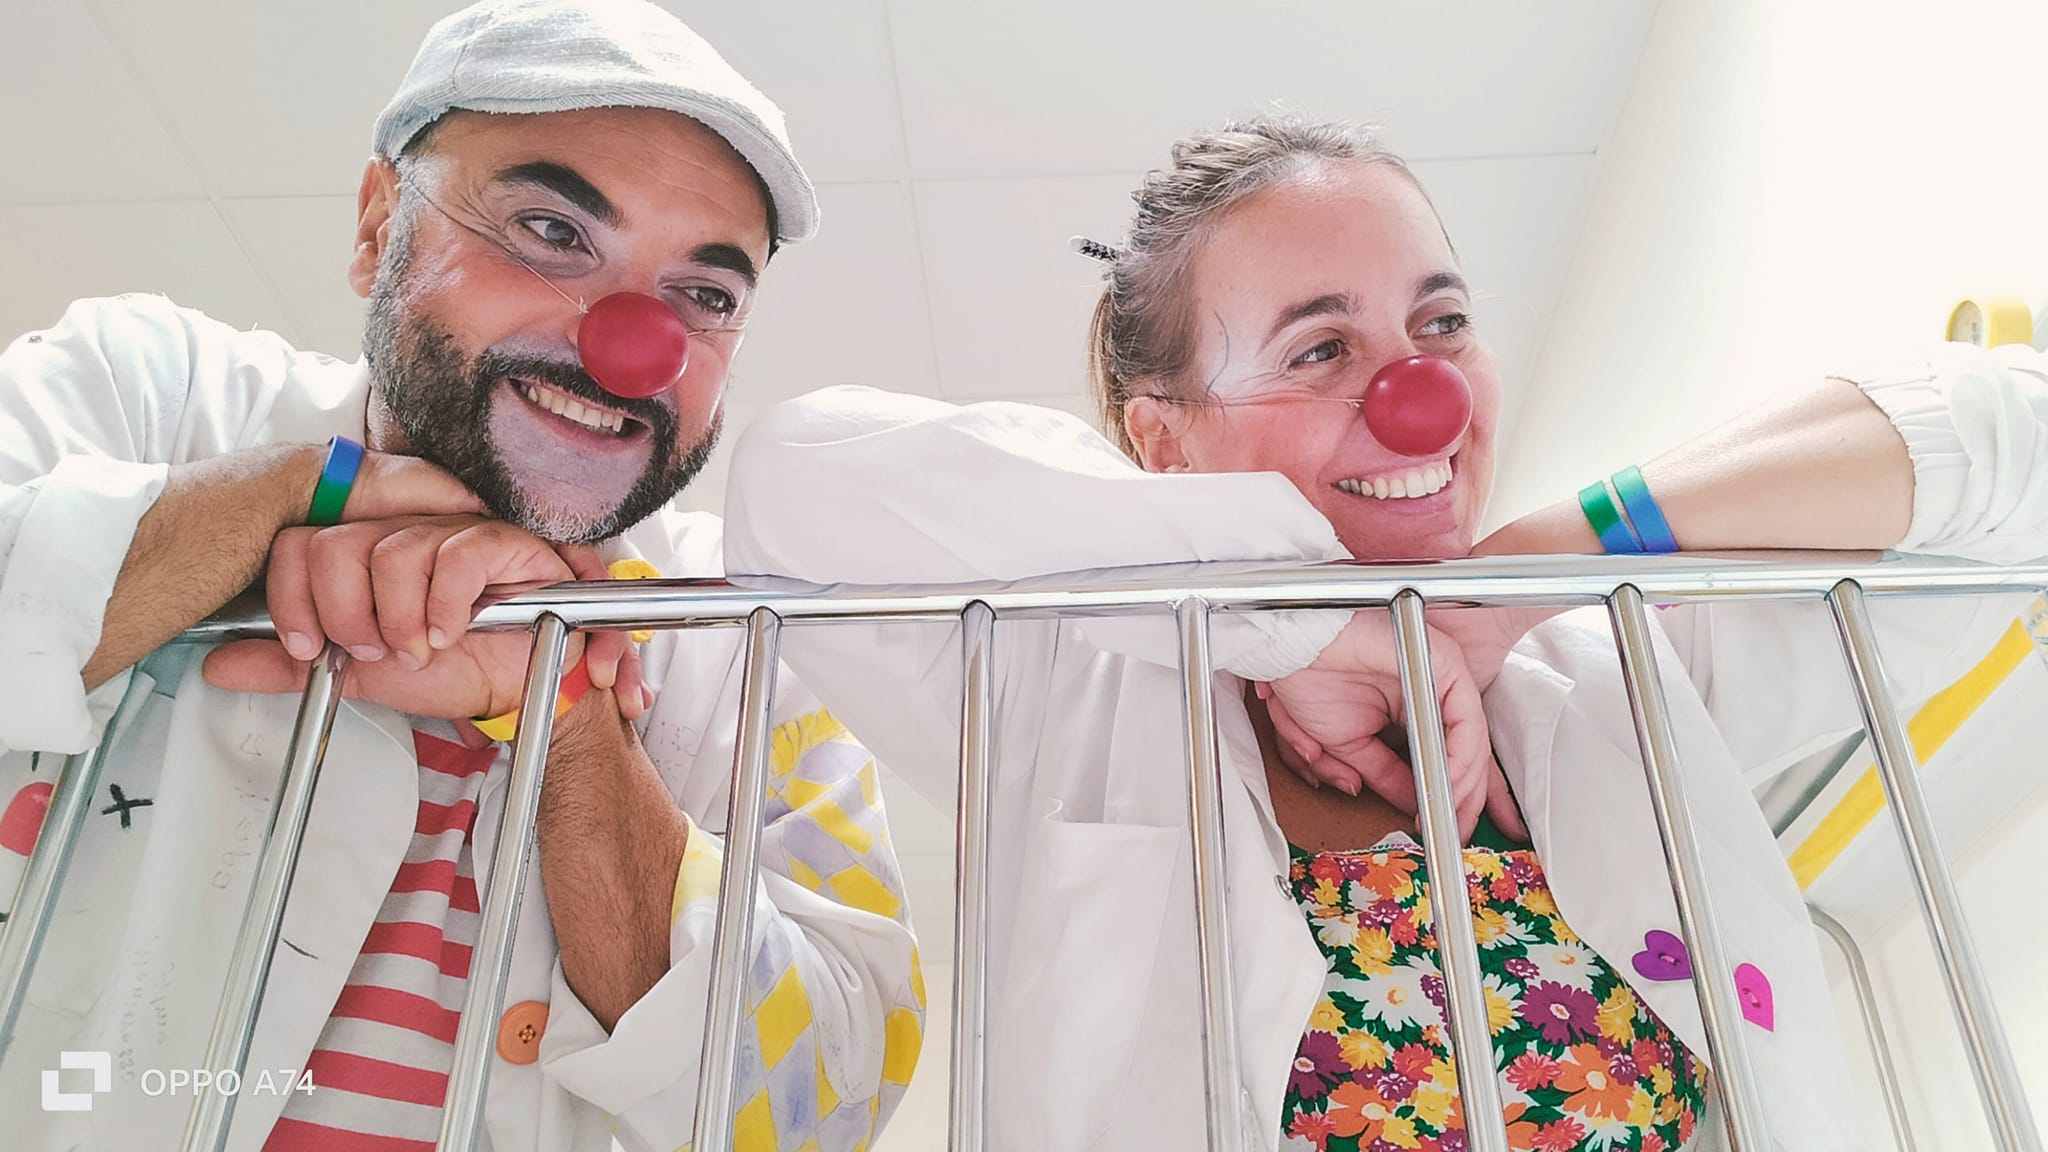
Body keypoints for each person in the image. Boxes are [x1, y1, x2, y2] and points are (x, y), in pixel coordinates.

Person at [723, 117, 2048, 1150]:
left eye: (1442, 323)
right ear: (1163, 444)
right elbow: (797, 483)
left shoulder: (1618, 667)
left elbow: (2014, 442)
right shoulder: (1063, 671)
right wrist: (1284, 628)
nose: (1421, 393)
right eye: (1319, 348)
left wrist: (1537, 568)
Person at [0, 3, 922, 1149]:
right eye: (550, 228)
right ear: (376, 223)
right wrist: (295, 495)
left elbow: (818, 1109)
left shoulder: (748, 630)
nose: (631, 346)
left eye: (706, 297)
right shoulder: (146, 393)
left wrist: (564, 711)